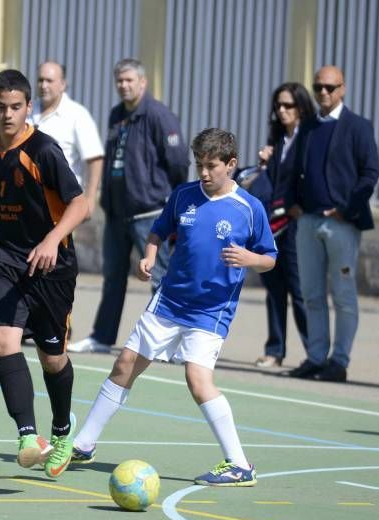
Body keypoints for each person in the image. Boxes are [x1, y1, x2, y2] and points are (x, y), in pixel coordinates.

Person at [70, 128, 277, 486]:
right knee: (125, 363)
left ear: (231, 164)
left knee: (197, 379)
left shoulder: (249, 208)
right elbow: (157, 232)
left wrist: (249, 257)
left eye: (212, 166)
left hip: (211, 310)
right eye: (199, 165)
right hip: (169, 301)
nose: (204, 173)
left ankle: (240, 464)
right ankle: (83, 445)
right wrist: (148, 257)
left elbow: (270, 259)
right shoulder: (183, 196)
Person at [0, 69, 88, 478]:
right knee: (3, 339)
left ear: (28, 107)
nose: (8, 114)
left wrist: (52, 240)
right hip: (7, 261)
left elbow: (80, 205)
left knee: (52, 358)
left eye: (16, 107)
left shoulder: (45, 151)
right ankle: (28, 436)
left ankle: (62, 431)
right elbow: (4, 213)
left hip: (52, 267)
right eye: (0, 107)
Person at [68, 58, 190, 354]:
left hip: (150, 214)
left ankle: (164, 345)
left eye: (129, 80)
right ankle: (102, 337)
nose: (124, 86)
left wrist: (169, 203)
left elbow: (178, 163)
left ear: (142, 82)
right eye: (119, 81)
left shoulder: (159, 116)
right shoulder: (116, 115)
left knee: (159, 278)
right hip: (116, 214)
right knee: (112, 279)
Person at [286, 66, 379, 382]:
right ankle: (316, 357)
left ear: (342, 89)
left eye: (329, 87)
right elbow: (293, 169)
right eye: (318, 87)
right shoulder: (308, 127)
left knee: (343, 295)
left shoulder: (358, 127)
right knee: (311, 294)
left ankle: (338, 361)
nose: (323, 93)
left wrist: (346, 208)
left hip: (341, 224)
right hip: (308, 223)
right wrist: (292, 204)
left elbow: (370, 173)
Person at [247, 82, 314, 368]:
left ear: (301, 107)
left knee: (299, 289)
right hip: (273, 223)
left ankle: (315, 352)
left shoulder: (310, 137)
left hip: (297, 222)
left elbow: (314, 175)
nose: (282, 110)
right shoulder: (277, 140)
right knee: (274, 286)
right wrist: (264, 163)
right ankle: (275, 349)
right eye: (278, 106)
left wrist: (305, 205)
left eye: (288, 105)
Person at [31, 61, 104, 218]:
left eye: (49, 81)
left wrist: (90, 200)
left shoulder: (77, 115)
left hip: (61, 205)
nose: (43, 85)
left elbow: (95, 159)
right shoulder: (27, 110)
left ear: (63, 84)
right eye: (40, 80)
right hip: (27, 202)